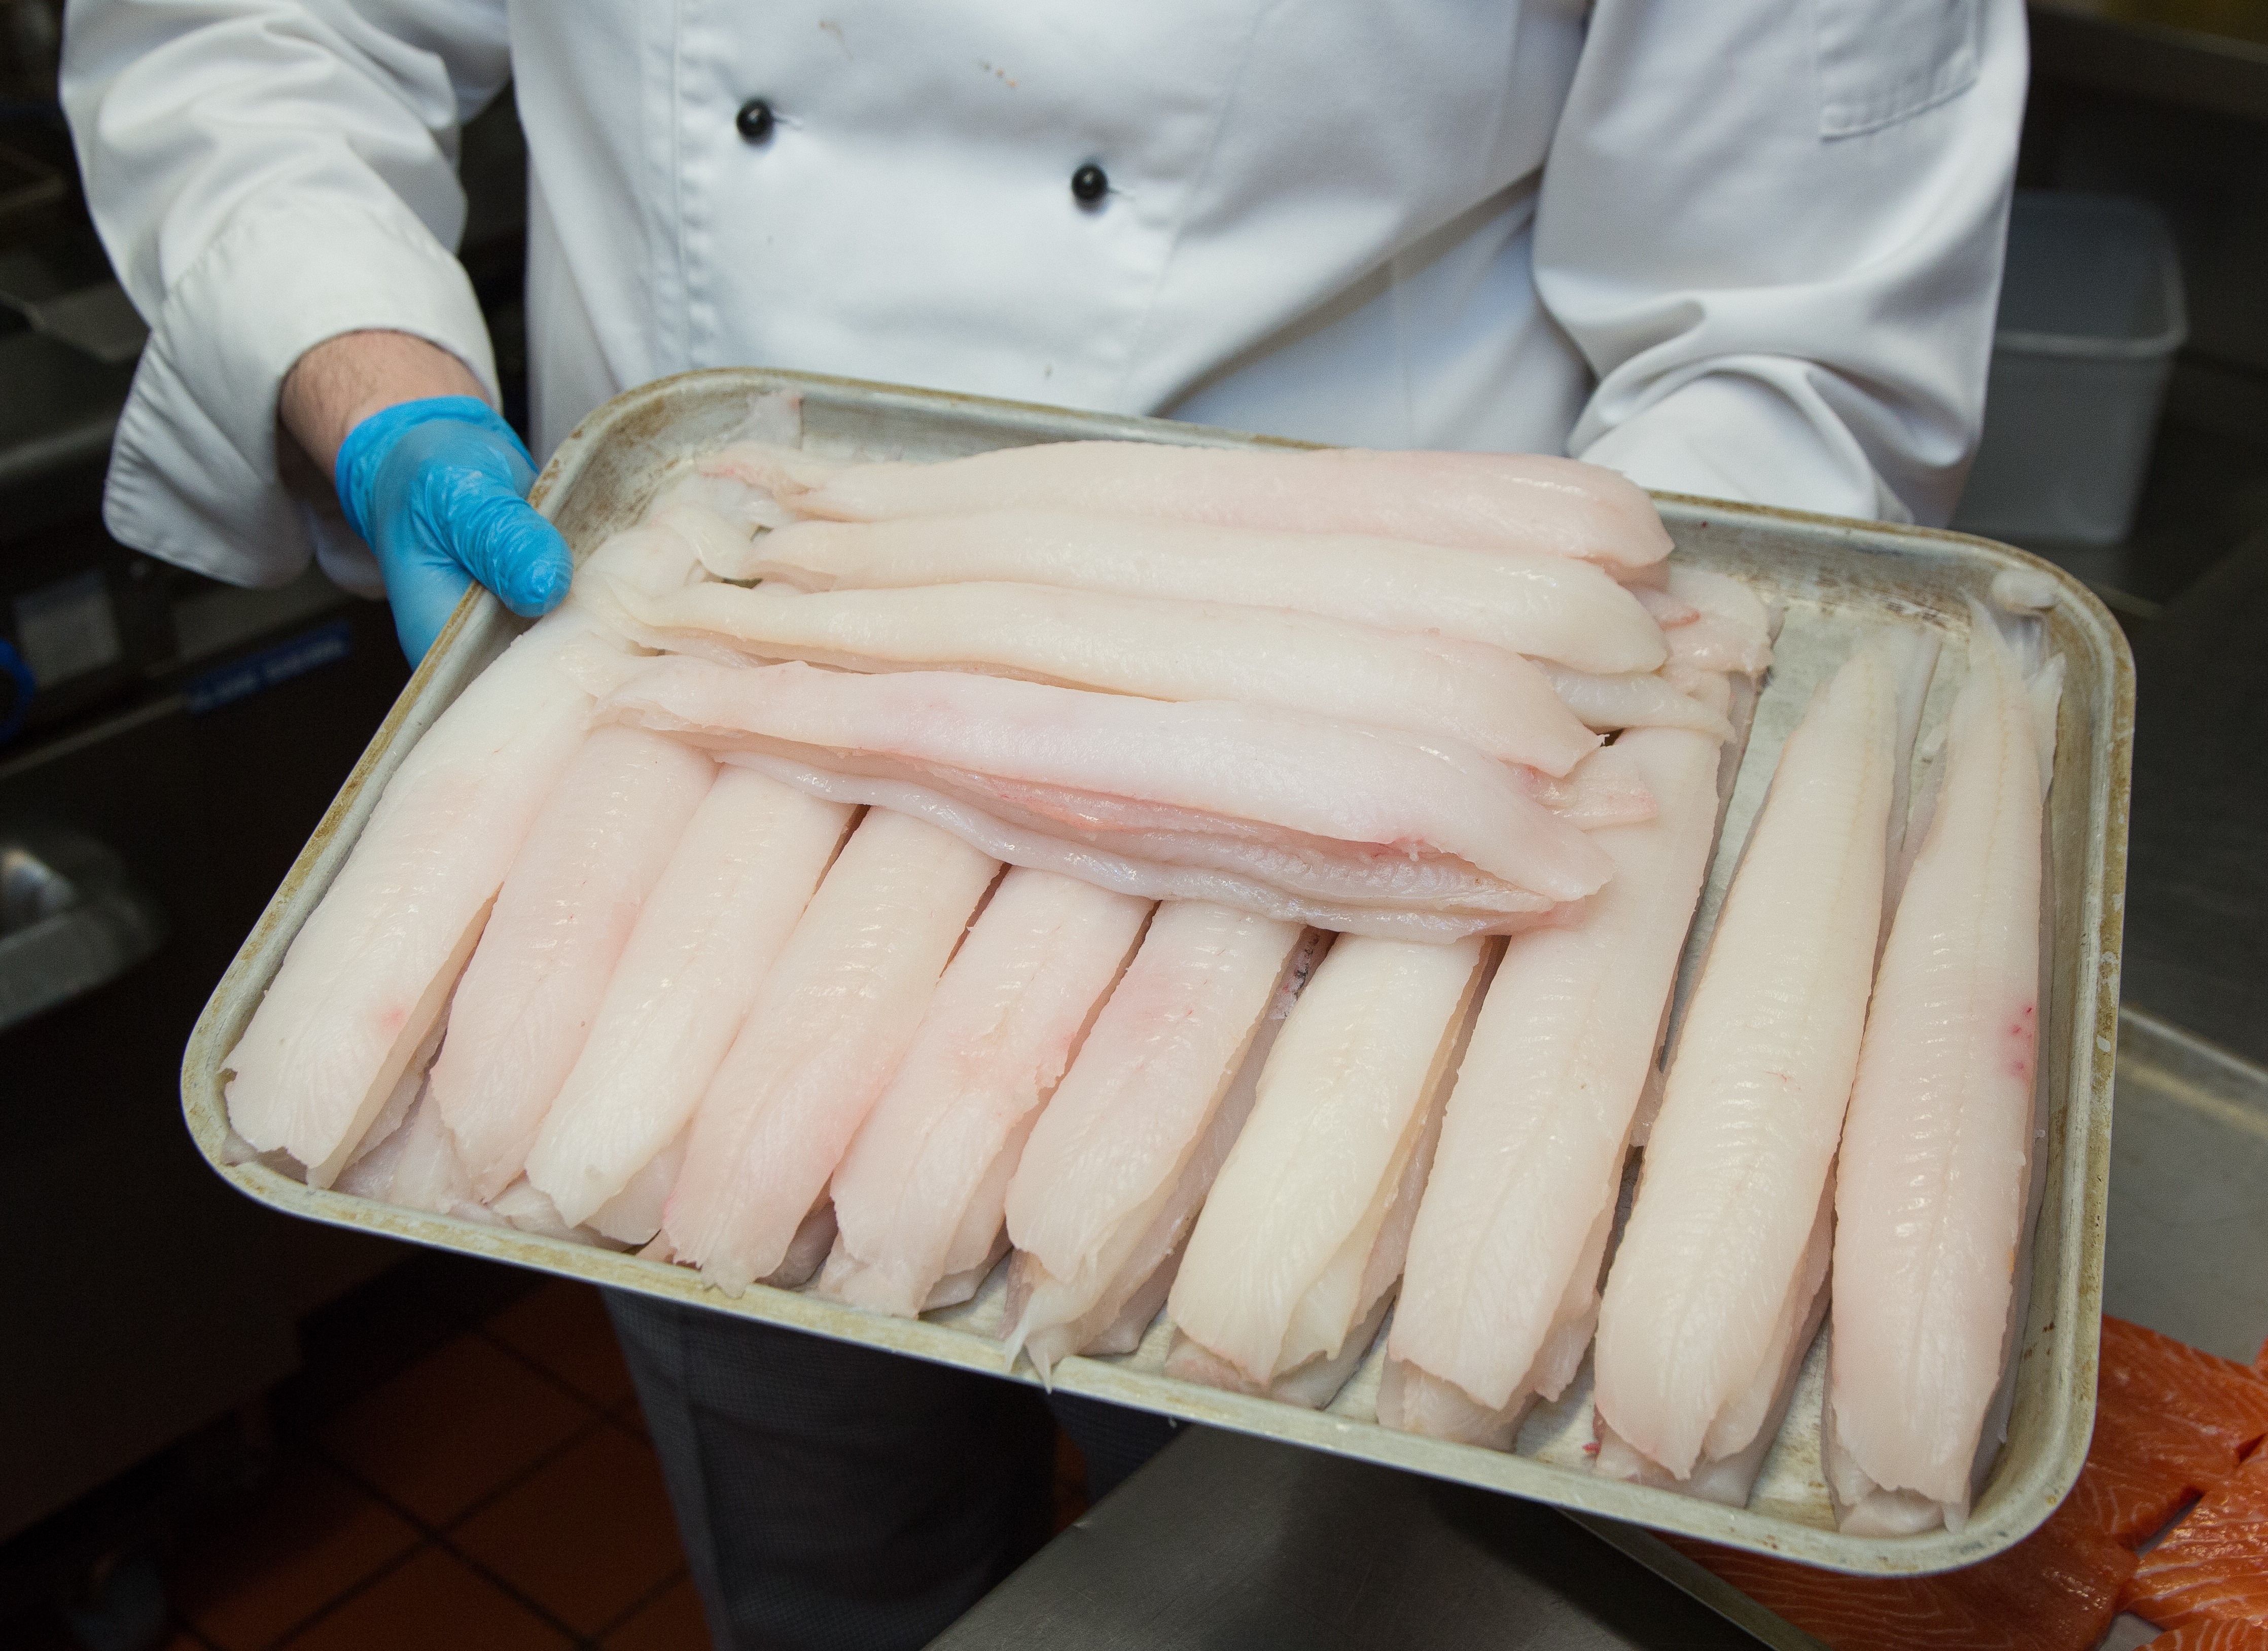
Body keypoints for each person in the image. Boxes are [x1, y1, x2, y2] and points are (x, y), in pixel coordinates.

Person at [61, 4, 2028, 1645]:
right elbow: (250, 25)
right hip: (691, 753)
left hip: (1386, 853)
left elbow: (1789, 319)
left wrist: (1564, 729)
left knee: (1296, 1565)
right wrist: (370, 376)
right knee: (823, 1554)